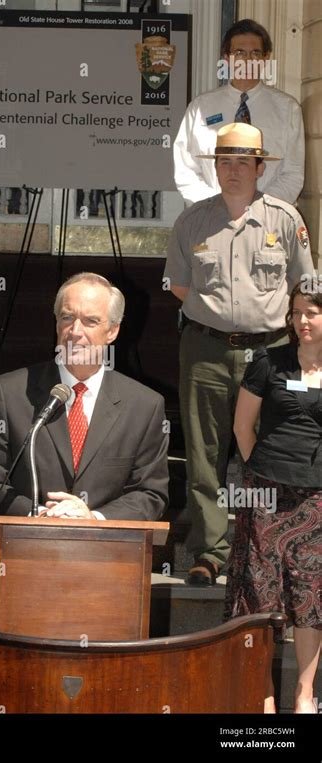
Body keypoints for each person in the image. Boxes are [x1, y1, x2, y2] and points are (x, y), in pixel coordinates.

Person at [0, 272, 169, 627]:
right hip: (20, 567)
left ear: (113, 331)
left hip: (107, 577)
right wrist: (41, 515)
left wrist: (92, 519)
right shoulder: (11, 392)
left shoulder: (144, 405)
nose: (75, 330)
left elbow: (150, 494)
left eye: (90, 321)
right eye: (67, 317)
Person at [164, 122, 314, 586]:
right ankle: (210, 551)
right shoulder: (193, 220)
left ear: (259, 167)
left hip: (269, 352)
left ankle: (267, 541)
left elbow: (303, 286)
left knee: (270, 447)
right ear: (216, 168)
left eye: (242, 162)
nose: (232, 171)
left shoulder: (285, 220)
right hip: (205, 348)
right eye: (224, 162)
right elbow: (180, 285)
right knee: (205, 452)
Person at [225, 281, 321, 714]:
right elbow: (243, 427)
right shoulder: (268, 362)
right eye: (297, 312)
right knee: (259, 594)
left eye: (312, 313)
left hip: (318, 496)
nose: (303, 321)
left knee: (309, 596)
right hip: (265, 491)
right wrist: (258, 475)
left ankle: (304, 693)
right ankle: (261, 692)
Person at [174, 18, 304, 205]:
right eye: (239, 53)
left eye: (255, 53)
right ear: (226, 58)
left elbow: (293, 173)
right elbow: (185, 169)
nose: (248, 60)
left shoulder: (288, 109)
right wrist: (215, 208)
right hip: (211, 221)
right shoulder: (200, 108)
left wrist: (260, 209)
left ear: (266, 58)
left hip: (267, 223)